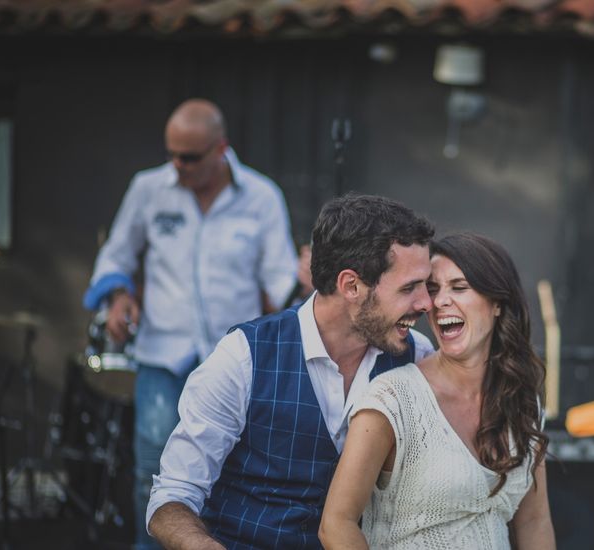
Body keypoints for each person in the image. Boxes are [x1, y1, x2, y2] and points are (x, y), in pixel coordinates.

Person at [147, 193, 436, 549]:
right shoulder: (244, 356)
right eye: (409, 288)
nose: (427, 303)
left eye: (426, 285)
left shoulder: (419, 358)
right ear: (351, 286)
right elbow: (172, 497)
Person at [81, 98, 298, 549]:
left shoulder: (261, 196)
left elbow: (281, 280)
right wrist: (120, 296)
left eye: (190, 156)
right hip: (164, 353)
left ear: (221, 148)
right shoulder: (148, 188)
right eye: (171, 154)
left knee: (229, 471)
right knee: (154, 472)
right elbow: (117, 253)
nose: (177, 165)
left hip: (235, 362)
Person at [320, 232, 555, 549]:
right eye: (433, 290)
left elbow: (534, 522)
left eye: (459, 287)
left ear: (497, 302)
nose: (439, 301)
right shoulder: (393, 398)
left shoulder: (522, 404)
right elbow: (336, 524)